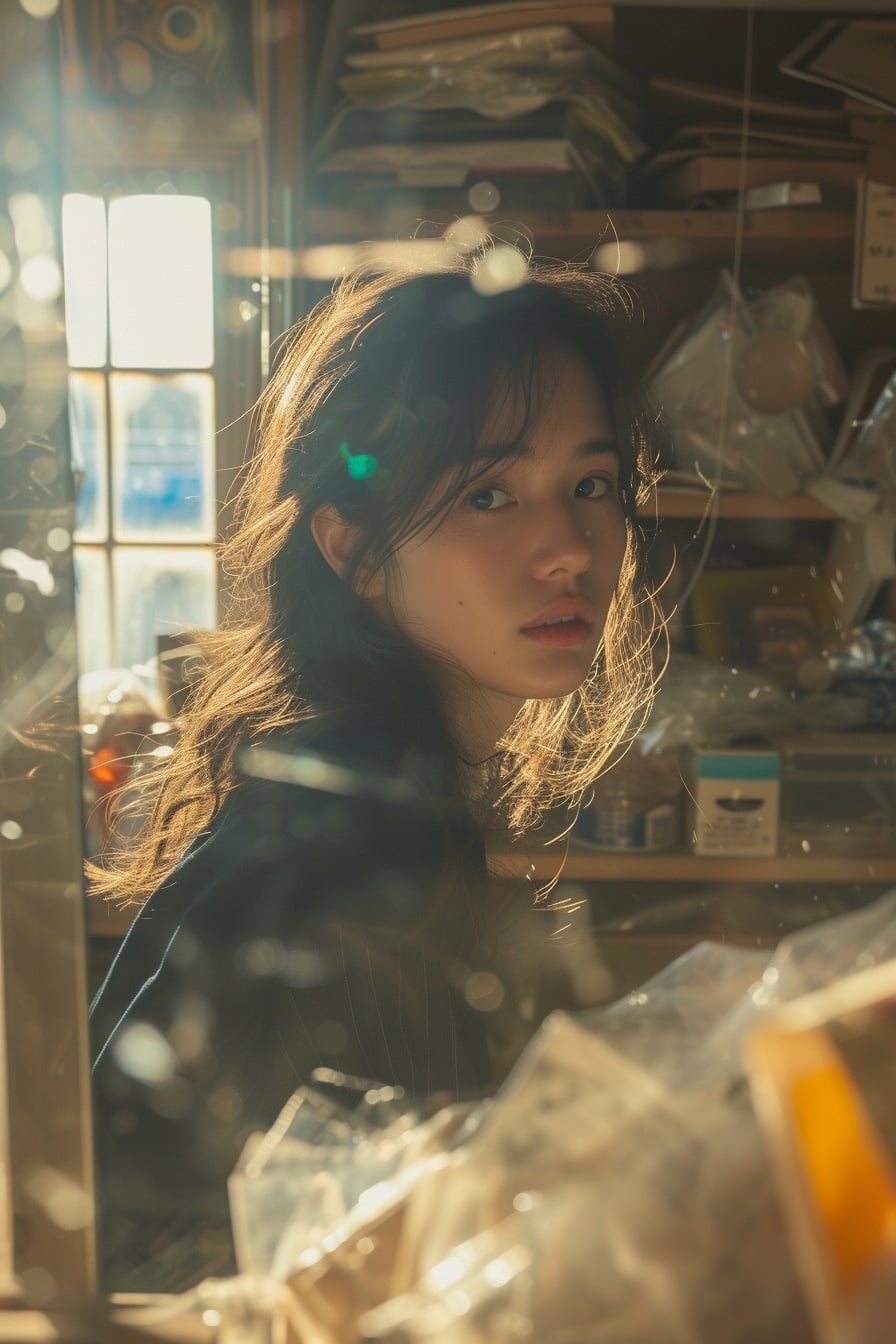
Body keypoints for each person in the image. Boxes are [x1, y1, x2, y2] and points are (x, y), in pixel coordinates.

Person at [89, 253, 661, 1291]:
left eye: (590, 485)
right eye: (488, 494)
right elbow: (391, 1282)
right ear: (351, 551)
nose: (569, 549)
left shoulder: (354, 778)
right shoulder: (370, 829)